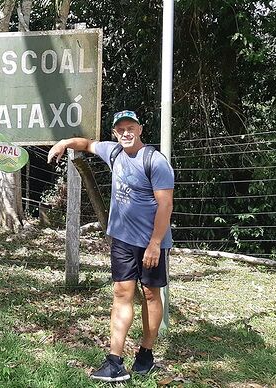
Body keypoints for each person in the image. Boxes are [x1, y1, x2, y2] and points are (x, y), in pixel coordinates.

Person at [47, 110, 174, 383]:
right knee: (121, 292)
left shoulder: (155, 161)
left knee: (151, 295)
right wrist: (64, 143)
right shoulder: (113, 152)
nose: (126, 133)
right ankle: (115, 361)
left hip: (152, 242)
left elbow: (165, 204)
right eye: (120, 130)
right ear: (115, 133)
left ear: (139, 129)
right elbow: (88, 144)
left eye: (130, 127)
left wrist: (154, 244)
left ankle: (146, 355)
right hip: (122, 239)